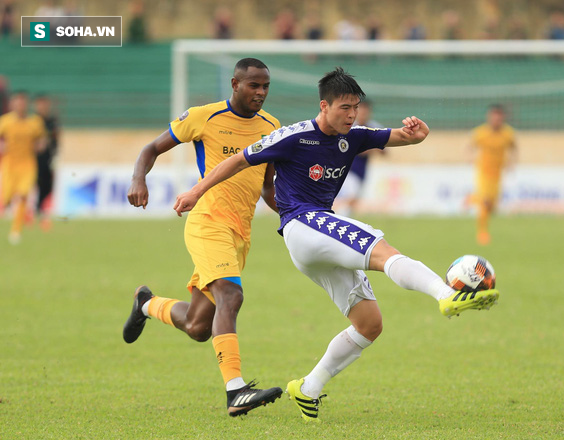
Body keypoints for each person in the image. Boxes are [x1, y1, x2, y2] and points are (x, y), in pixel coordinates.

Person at [173, 67, 501, 421]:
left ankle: (308, 387)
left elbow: (396, 136)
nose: (352, 114)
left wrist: (417, 136)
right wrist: (195, 191)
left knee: (369, 323)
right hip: (303, 223)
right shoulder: (293, 135)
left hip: (316, 241)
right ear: (324, 105)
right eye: (344, 107)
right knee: (383, 250)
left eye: (356, 107)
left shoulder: (355, 135)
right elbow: (237, 160)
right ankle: (446, 294)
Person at [123, 58, 283, 416]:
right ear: (235, 84)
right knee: (232, 294)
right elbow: (151, 149)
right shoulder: (204, 117)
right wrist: (138, 178)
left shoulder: (272, 126)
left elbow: (268, 187)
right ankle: (236, 391)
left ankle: (146, 304)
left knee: (198, 326)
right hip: (208, 221)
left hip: (241, 231)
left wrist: (296, 215)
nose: (260, 93)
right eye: (254, 85)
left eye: (266, 87)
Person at [0, 91, 46, 244]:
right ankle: (8, 210)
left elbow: (42, 140)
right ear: (12, 104)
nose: (20, 105)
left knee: (22, 196)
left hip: (27, 165)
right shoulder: (5, 121)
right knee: (6, 199)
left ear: (26, 104)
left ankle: (16, 230)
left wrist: (40, 146)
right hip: (9, 164)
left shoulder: (35, 122)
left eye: (22, 102)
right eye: (17, 102)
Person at [468, 104, 517, 245]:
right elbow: (470, 146)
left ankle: (471, 199)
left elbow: (514, 148)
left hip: (497, 174)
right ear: (489, 117)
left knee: (492, 207)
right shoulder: (481, 133)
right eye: (494, 117)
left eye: (499, 117)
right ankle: (482, 233)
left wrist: (512, 162)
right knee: (485, 202)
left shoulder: (508, 134)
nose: (496, 120)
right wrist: (470, 158)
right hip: (483, 172)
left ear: (503, 118)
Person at [334, 98, 383, 216]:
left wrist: (370, 148)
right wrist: (370, 148)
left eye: (366, 111)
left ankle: (340, 219)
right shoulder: (348, 127)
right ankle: (340, 220)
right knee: (349, 197)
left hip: (361, 172)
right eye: (360, 110)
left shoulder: (374, 127)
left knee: (352, 200)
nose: (363, 114)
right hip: (347, 170)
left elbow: (384, 150)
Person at [34, 94, 59, 230]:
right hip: (34, 161)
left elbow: (56, 139)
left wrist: (56, 156)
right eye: (40, 104)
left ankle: (43, 214)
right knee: (33, 187)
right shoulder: (33, 121)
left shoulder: (52, 121)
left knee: (47, 187)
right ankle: (32, 213)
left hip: (48, 160)